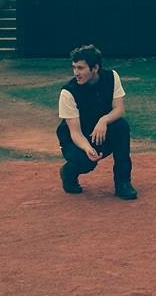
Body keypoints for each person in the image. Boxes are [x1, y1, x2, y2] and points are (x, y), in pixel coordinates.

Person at [56, 44, 138, 200]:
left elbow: (119, 110)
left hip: (100, 133)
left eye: (80, 68)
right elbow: (75, 133)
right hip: (75, 139)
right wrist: (88, 148)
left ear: (95, 68)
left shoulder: (112, 77)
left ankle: (123, 182)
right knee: (87, 162)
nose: (76, 73)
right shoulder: (68, 92)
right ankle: (69, 172)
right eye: (74, 68)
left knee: (121, 126)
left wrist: (103, 120)